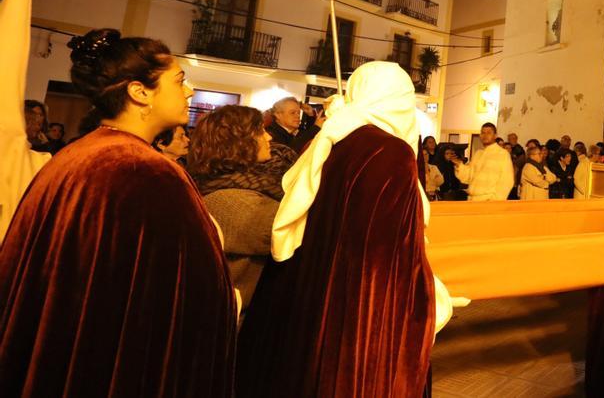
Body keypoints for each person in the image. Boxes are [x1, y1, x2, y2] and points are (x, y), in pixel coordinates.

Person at [0, 28, 236, 395]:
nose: (189, 91)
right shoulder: (147, 171)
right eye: (179, 81)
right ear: (140, 92)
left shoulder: (78, 154)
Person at [237, 62, 459, 397]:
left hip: (317, 287)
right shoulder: (390, 151)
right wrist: (423, 299)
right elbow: (389, 252)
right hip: (364, 302)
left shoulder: (337, 140)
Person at [188, 105, 276, 312]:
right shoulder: (235, 201)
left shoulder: (223, 185)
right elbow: (298, 230)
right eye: (260, 131)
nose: (269, 138)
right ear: (240, 142)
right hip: (235, 319)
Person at [454, 122, 513, 202]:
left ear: (495, 135)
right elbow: (469, 176)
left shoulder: (502, 154)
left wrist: (495, 200)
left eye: (489, 133)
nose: (485, 135)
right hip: (473, 200)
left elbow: (507, 181)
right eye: (483, 133)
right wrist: (459, 165)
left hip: (489, 200)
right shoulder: (478, 154)